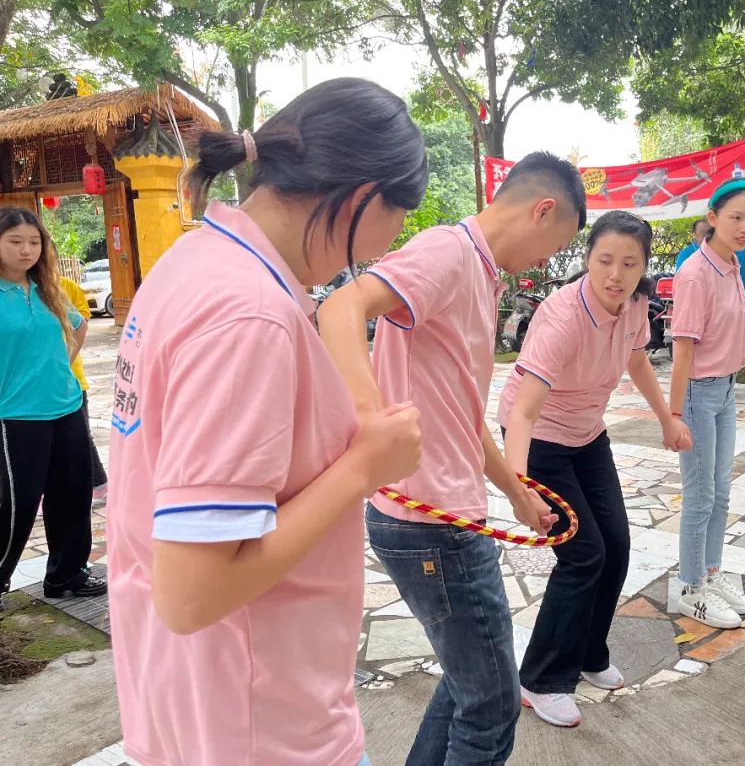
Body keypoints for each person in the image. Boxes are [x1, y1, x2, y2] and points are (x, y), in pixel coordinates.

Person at [106, 78, 426, 766]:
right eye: (401, 215)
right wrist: (363, 468)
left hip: (192, 702)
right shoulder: (249, 314)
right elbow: (193, 594)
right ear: (365, 198)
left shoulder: (193, 261)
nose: (390, 242)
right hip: (262, 722)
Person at [319, 151, 586, 766]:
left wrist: (518, 495)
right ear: (542, 210)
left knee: (470, 683)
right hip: (431, 525)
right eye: (553, 247)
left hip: (444, 516)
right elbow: (339, 308)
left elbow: (462, 414)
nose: (543, 264)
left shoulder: (480, 274)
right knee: (492, 707)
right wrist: (371, 418)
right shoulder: (448, 252)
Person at [499, 212, 690, 729]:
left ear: (643, 267)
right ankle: (541, 679)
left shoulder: (636, 305)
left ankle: (587, 652)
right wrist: (521, 489)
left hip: (587, 435)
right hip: (540, 439)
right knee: (583, 555)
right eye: (605, 260)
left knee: (617, 545)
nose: (616, 274)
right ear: (587, 260)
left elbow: (637, 361)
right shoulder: (562, 317)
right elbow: (523, 413)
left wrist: (667, 418)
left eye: (630, 263)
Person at [668, 178, 745, 625]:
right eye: (735, 218)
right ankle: (691, 589)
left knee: (721, 493)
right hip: (697, 394)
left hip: (725, 390)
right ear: (712, 218)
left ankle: (711, 573)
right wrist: (673, 415)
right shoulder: (695, 272)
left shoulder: (732, 265)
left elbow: (726, 328)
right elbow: (683, 348)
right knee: (700, 495)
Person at [0, 207, 104, 610]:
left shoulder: (46, 288)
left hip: (67, 406)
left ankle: (66, 575)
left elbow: (78, 324)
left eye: (34, 242)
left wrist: (61, 365)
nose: (26, 250)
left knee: (72, 493)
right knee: (17, 504)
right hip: (15, 415)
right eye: (15, 241)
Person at [58, 274, 109, 500]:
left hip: (72, 377)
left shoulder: (63, 286)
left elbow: (82, 320)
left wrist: (65, 359)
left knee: (81, 436)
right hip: (32, 386)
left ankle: (98, 484)